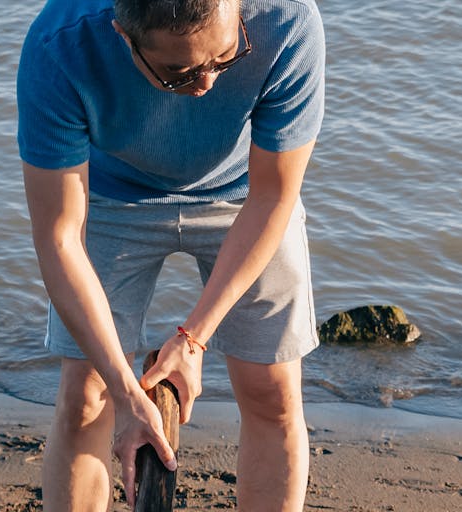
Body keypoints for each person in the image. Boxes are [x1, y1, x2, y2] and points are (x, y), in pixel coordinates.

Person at [17, 0, 324, 508]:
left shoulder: (288, 19)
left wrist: (194, 339)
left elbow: (273, 195)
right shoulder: (60, 45)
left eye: (225, 57)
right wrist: (123, 390)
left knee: (273, 393)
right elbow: (59, 237)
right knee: (86, 399)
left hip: (246, 196)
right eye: (177, 74)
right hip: (110, 193)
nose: (204, 86)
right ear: (123, 36)